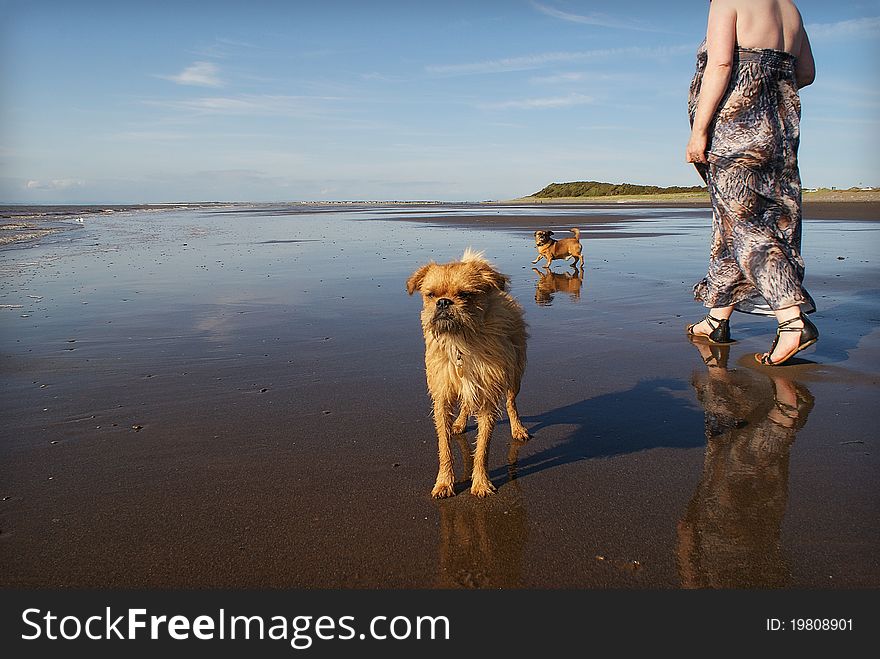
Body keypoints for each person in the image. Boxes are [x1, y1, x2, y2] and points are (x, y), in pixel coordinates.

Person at [685, 0, 818, 366]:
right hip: (779, 128)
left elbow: (721, 64)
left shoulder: (728, 1)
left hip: (737, 129)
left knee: (744, 223)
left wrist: (699, 132)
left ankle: (792, 321)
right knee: (759, 221)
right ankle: (716, 320)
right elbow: (806, 72)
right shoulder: (791, 10)